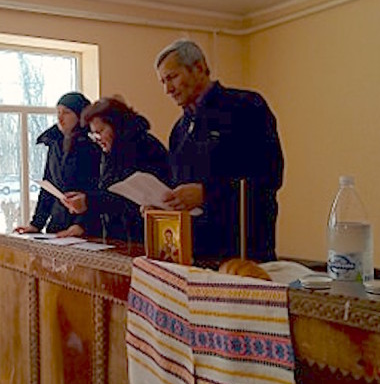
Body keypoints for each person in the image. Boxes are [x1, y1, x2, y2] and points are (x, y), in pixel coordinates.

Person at [155, 39, 284, 262]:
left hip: (242, 250)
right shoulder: (179, 130)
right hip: (193, 253)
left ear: (198, 68)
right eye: (163, 82)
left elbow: (269, 176)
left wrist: (207, 193)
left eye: (172, 77)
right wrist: (162, 206)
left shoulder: (246, 106)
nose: (168, 89)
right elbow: (178, 185)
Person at [63, 97, 170, 243]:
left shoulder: (145, 147)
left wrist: (89, 201)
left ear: (117, 126)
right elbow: (107, 192)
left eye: (100, 131)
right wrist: (83, 220)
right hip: (119, 237)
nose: (97, 139)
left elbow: (130, 199)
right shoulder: (110, 151)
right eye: (93, 134)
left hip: (145, 237)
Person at [14, 92, 101, 237]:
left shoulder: (93, 146)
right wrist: (36, 224)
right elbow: (48, 186)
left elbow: (96, 188)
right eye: (58, 112)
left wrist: (81, 224)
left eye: (66, 113)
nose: (60, 118)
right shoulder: (54, 143)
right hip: (58, 223)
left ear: (80, 115)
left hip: (87, 227)